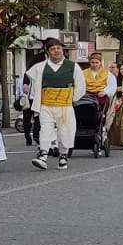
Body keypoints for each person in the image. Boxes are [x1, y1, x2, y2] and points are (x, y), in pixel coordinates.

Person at [25, 38, 86, 169]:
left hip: (64, 105)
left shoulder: (73, 66)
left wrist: (71, 98)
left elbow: (81, 86)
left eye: (58, 48)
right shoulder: (40, 67)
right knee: (45, 129)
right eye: (53, 49)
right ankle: (43, 155)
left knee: (65, 130)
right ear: (48, 52)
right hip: (46, 104)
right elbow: (35, 85)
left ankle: (63, 156)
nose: (56, 51)